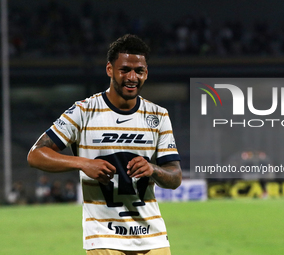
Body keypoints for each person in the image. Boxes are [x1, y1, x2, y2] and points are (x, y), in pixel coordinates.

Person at [27, 34, 182, 255]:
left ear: (146, 73)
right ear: (110, 69)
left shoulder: (159, 116)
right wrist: (83, 163)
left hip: (153, 238)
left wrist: (153, 169)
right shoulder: (83, 111)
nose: (132, 77)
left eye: (139, 71)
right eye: (125, 69)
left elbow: (175, 177)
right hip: (103, 238)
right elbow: (35, 155)